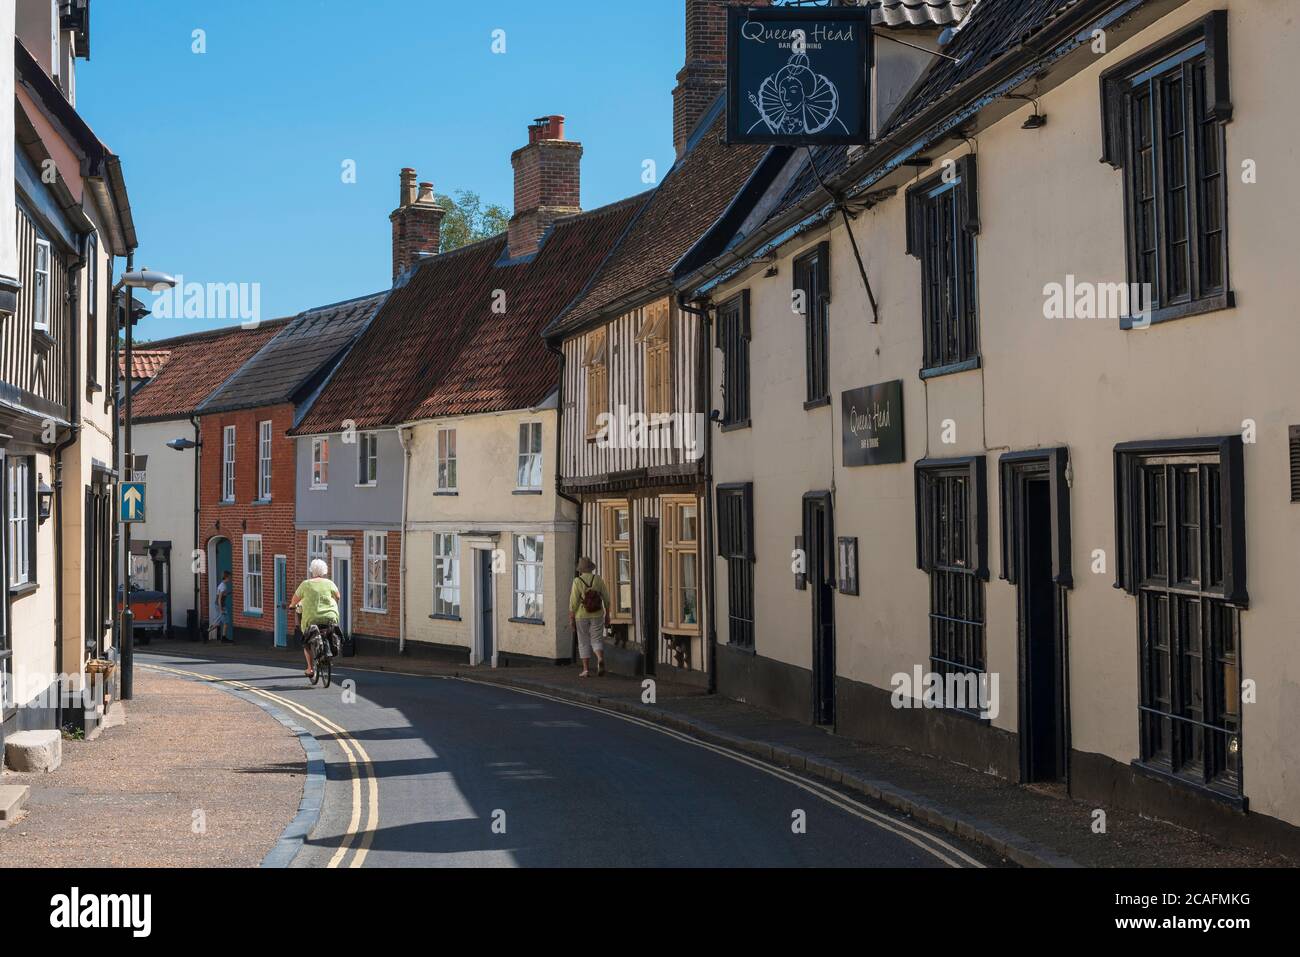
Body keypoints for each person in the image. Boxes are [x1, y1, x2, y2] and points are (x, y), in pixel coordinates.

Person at [289, 559, 342, 679]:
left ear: (312, 571)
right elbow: (338, 596)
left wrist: (292, 606)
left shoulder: (306, 584)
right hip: (330, 617)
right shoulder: (329, 583)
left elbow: (294, 601)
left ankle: (310, 668)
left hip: (311, 618)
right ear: (324, 571)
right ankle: (327, 650)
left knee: (306, 643)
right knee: (329, 631)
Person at [568, 557, 610, 678]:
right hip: (597, 614)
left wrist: (571, 618)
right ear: (591, 568)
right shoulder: (598, 579)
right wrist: (608, 615)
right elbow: (606, 598)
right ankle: (600, 658)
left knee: (583, 641)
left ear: (581, 569)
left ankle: (586, 670)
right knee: (596, 639)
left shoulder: (577, 581)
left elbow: (573, 601)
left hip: (581, 615)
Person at [213, 570, 233, 643]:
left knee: (218, 621)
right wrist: (221, 609)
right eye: (229, 577)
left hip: (218, 605)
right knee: (226, 621)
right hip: (220, 606)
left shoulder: (221, 584)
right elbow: (219, 599)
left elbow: (222, 595)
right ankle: (223, 638)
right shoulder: (223, 586)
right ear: (226, 577)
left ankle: (206, 631)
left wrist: (228, 593)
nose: (230, 579)